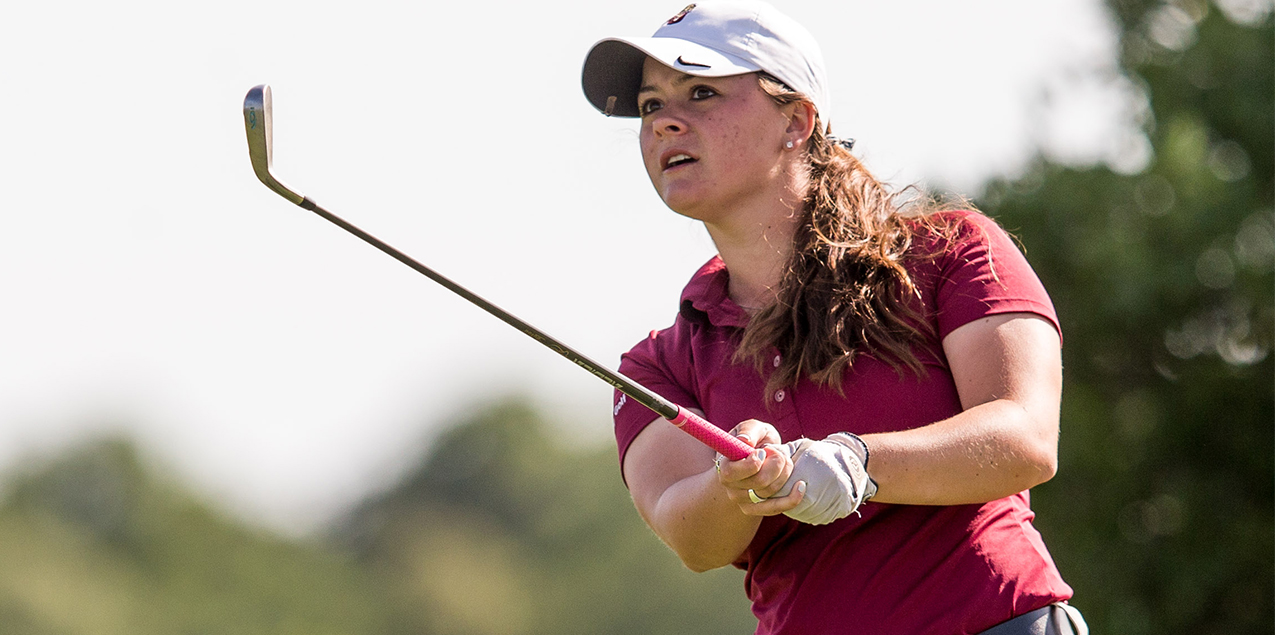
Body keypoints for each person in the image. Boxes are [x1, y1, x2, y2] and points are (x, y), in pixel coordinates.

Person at [581, 2, 1089, 634]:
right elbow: (693, 538)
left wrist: (855, 463)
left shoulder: (951, 251)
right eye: (651, 105)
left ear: (796, 121)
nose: (663, 125)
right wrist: (738, 479)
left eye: (701, 92)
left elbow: (1025, 439)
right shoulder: (659, 363)